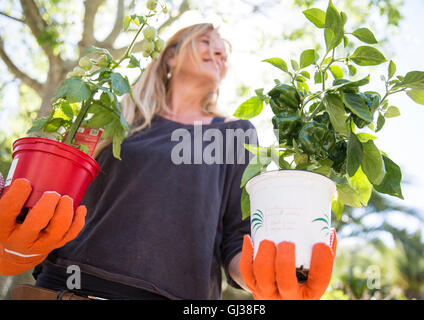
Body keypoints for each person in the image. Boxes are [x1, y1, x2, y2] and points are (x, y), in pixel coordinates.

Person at [0, 23, 337, 300]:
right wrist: (17, 246)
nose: (219, 52)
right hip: (68, 288)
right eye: (206, 41)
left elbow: (237, 237)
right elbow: (61, 198)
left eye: (223, 51)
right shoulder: (117, 118)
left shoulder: (233, 133)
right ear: (171, 57)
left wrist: (263, 280)